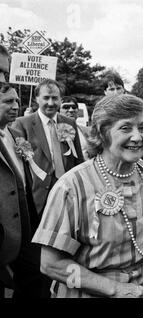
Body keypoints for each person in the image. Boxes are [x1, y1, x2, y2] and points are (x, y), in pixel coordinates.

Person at [31, 94, 143, 298]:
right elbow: (51, 265)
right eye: (125, 128)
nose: (137, 137)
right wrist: (114, 289)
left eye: (142, 128)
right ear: (102, 133)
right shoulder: (72, 186)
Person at [12, 79, 84, 216]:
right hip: (37, 197)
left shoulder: (70, 123)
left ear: (60, 99)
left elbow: (78, 159)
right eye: (46, 98)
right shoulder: (22, 124)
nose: (50, 103)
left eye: (55, 98)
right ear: (36, 99)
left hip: (67, 192)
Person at [0, 83, 42, 298]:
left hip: (27, 219)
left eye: (17, 101)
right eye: (8, 101)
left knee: (35, 278)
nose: (15, 106)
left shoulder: (15, 134)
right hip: (4, 228)